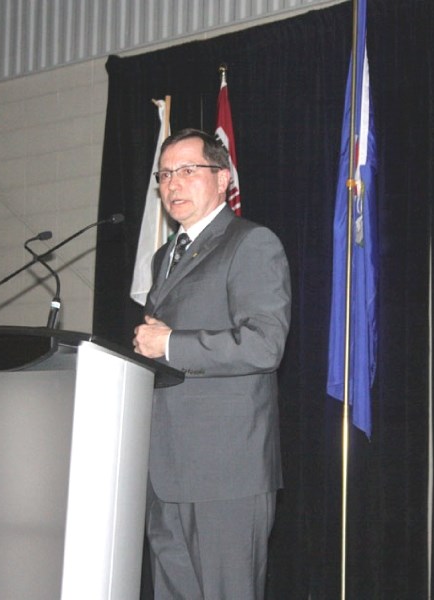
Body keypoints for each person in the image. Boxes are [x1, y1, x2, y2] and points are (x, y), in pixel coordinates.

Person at [133, 128, 291, 599]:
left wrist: (172, 345)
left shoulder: (251, 244)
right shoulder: (165, 256)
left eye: (187, 171)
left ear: (222, 178)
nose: (173, 184)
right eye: (164, 175)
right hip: (166, 469)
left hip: (226, 472)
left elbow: (265, 345)